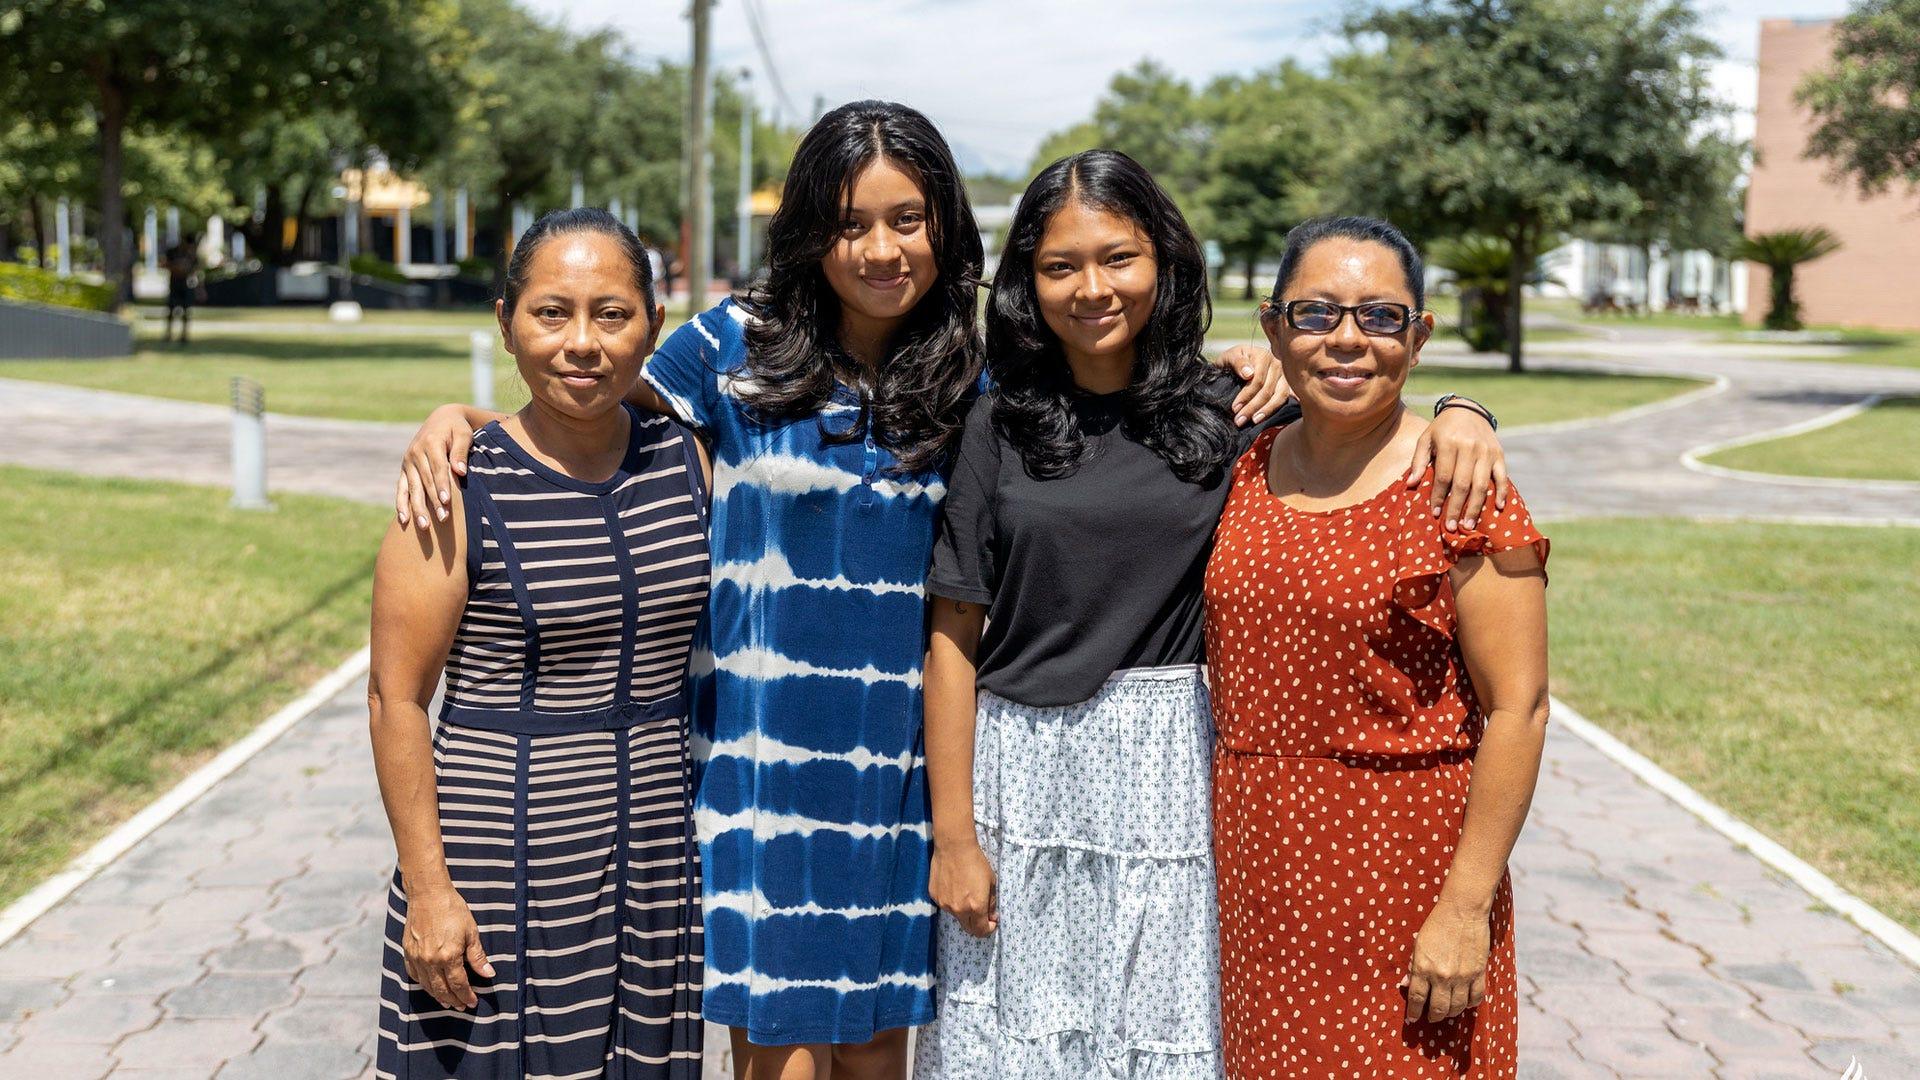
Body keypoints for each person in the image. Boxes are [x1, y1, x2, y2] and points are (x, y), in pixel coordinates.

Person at [393, 102, 1282, 1080]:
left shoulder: (978, 374)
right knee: (781, 1056)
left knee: (876, 1055)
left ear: (944, 225)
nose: (881, 249)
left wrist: (1252, 365)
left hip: (906, 770)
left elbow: (1110, 414)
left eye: (907, 219)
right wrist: (464, 418)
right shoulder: (733, 342)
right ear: (811, 230)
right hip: (759, 767)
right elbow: (588, 406)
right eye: (850, 223)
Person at [915, 155, 1507, 1080]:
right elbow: (953, 636)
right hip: (1020, 776)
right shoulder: (1000, 423)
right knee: (1014, 1041)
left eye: (1119, 257)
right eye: (1061, 265)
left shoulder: (1230, 410)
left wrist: (1465, 412)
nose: (1093, 288)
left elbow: (1358, 406)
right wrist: (955, 837)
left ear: (1164, 260)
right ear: (1029, 280)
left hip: (1175, 776)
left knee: (1169, 1043)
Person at [1204, 216, 1550, 1078]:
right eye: (1316, 313)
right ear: (1274, 326)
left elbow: (1520, 709)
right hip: (1260, 877)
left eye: (1381, 316)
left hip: (1406, 876)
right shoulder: (1243, 461)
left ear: (1419, 337)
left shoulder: (1459, 488)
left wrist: (1465, 909)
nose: (1347, 339)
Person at [369, 207, 708, 1078]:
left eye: (612, 314)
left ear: (653, 325)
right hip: (498, 866)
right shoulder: (455, 488)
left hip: (655, 864)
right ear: (507, 322)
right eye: (552, 313)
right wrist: (429, 890)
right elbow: (395, 699)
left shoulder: (689, 461)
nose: (582, 342)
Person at [164, 235, 198, 344]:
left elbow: (194, 269)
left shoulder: (191, 254)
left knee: (186, 311)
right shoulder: (172, 252)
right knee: (171, 309)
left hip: (185, 284)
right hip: (174, 283)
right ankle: (168, 334)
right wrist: (177, 267)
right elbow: (165, 264)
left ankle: (184, 335)